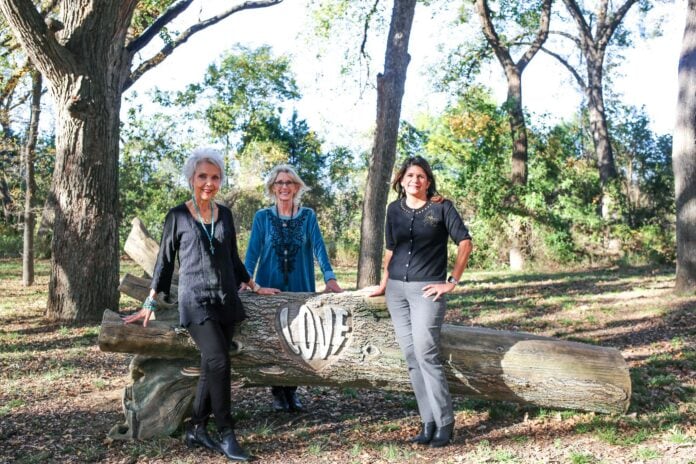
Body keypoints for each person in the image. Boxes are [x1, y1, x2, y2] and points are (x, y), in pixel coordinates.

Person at [123, 148, 279, 462]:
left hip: (226, 299)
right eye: (203, 176)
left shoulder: (226, 214)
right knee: (220, 360)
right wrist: (149, 302)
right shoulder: (177, 215)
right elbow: (164, 264)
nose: (209, 183)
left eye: (215, 177)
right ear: (192, 178)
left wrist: (254, 285)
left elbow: (232, 258)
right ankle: (226, 434)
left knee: (211, 364)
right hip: (195, 301)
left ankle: (196, 427)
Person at [369, 156, 473, 448]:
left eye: (421, 176)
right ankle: (427, 422)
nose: (415, 180)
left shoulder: (442, 207)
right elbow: (391, 249)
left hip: (427, 291)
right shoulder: (393, 210)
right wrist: (384, 282)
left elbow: (465, 242)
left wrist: (451, 282)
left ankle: (445, 422)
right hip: (397, 293)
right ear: (402, 180)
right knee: (412, 358)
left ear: (428, 181)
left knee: (427, 355)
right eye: (410, 175)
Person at [244, 164, 343, 412]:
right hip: (269, 288)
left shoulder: (308, 216)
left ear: (297, 187)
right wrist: (245, 281)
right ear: (273, 188)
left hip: (301, 287)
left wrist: (329, 277)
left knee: (300, 339)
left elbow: (319, 248)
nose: (284, 187)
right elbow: (252, 254)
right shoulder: (262, 218)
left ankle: (292, 390)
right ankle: (278, 391)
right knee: (275, 339)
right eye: (280, 183)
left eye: (289, 182)